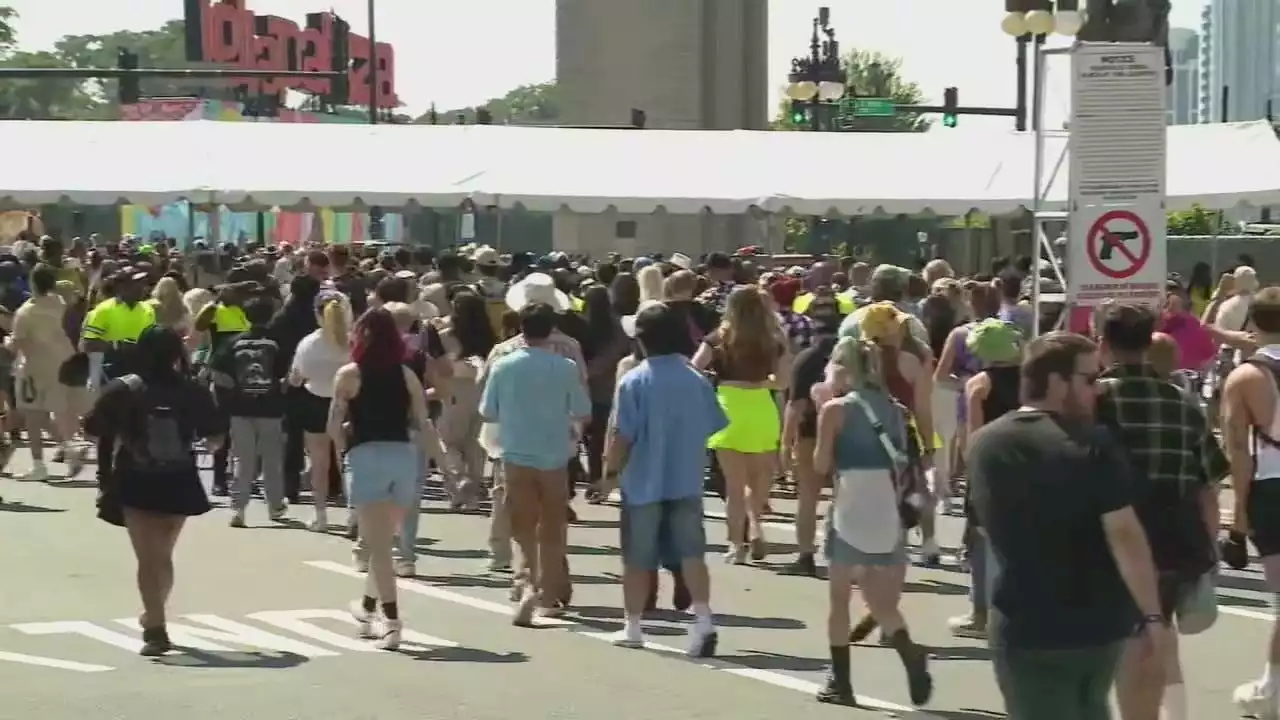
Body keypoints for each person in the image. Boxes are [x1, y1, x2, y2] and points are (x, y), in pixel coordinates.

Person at [967, 331, 1167, 720]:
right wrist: (1153, 615)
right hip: (1100, 625)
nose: (1100, 390)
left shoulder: (985, 444)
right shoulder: (1095, 443)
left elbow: (984, 526)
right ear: (1057, 382)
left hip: (1026, 622)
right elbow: (1125, 534)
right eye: (1091, 379)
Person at [84, 326, 225, 656]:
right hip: (179, 477)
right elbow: (216, 436)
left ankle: (157, 628)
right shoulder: (192, 390)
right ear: (177, 353)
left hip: (136, 476)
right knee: (162, 555)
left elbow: (92, 427)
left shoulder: (124, 388)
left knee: (148, 557)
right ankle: (154, 615)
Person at [813, 336, 932, 708]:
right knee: (881, 602)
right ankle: (908, 651)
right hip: (886, 505)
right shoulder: (896, 410)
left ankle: (841, 683)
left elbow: (819, 465)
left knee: (838, 599)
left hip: (851, 502)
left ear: (843, 368)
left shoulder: (835, 409)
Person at [606, 301, 725, 656]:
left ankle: (633, 625)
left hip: (643, 481)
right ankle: (703, 619)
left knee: (637, 557)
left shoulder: (634, 380)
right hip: (686, 478)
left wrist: (608, 475)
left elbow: (620, 436)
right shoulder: (695, 378)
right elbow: (714, 425)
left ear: (642, 340)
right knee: (692, 553)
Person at [480, 302, 592, 625]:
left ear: (521, 328)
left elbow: (487, 411)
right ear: (552, 329)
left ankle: (528, 580)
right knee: (553, 524)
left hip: (515, 452)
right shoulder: (565, 366)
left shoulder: (504, 364)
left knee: (522, 523)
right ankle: (550, 592)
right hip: (555, 453)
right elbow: (582, 409)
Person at [330, 308, 434, 650]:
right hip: (403, 459)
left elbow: (334, 424)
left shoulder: (348, 375)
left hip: (366, 457)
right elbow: (423, 422)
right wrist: (447, 469)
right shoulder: (406, 375)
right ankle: (367, 606)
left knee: (379, 547)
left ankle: (392, 621)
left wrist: (342, 452)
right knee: (383, 542)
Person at [692, 286, 790, 564]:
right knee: (759, 481)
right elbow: (783, 382)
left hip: (728, 405)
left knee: (734, 486)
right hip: (760, 406)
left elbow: (694, 369)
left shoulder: (719, 338)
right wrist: (763, 381)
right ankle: (756, 526)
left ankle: (737, 545)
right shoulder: (775, 339)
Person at [1223, 286, 1280, 718]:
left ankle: (1271, 691)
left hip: (1270, 487)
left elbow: (1238, 454)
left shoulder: (1244, 378)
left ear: (1253, 324)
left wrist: (1238, 523)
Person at [208, 296, 290, 528]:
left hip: (240, 409)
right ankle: (275, 504)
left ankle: (238, 508)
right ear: (271, 315)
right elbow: (288, 373)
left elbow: (216, 372)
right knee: (272, 458)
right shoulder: (278, 341)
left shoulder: (234, 341)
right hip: (271, 408)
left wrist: (233, 389)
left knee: (242, 459)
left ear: (245, 316)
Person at [288, 291, 352, 533]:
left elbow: (296, 378)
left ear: (316, 313)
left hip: (314, 401)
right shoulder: (351, 340)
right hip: (346, 404)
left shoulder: (308, 344)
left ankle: (321, 515)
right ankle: (352, 515)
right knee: (345, 460)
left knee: (319, 463)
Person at [12, 263, 82, 480]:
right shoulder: (58, 303)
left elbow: (20, 345)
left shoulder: (25, 313)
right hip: (62, 363)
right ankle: (68, 448)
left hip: (35, 369)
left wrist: (7, 342)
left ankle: (40, 464)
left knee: (33, 415)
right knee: (42, 414)